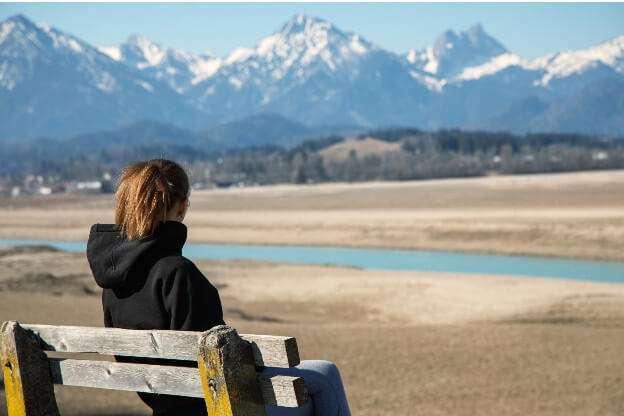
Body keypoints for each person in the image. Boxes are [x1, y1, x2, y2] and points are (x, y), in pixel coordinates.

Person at [86, 159, 351, 416]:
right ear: (182, 208)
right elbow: (219, 362)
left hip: (163, 403)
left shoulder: (112, 285)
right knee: (325, 374)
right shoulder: (179, 274)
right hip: (212, 407)